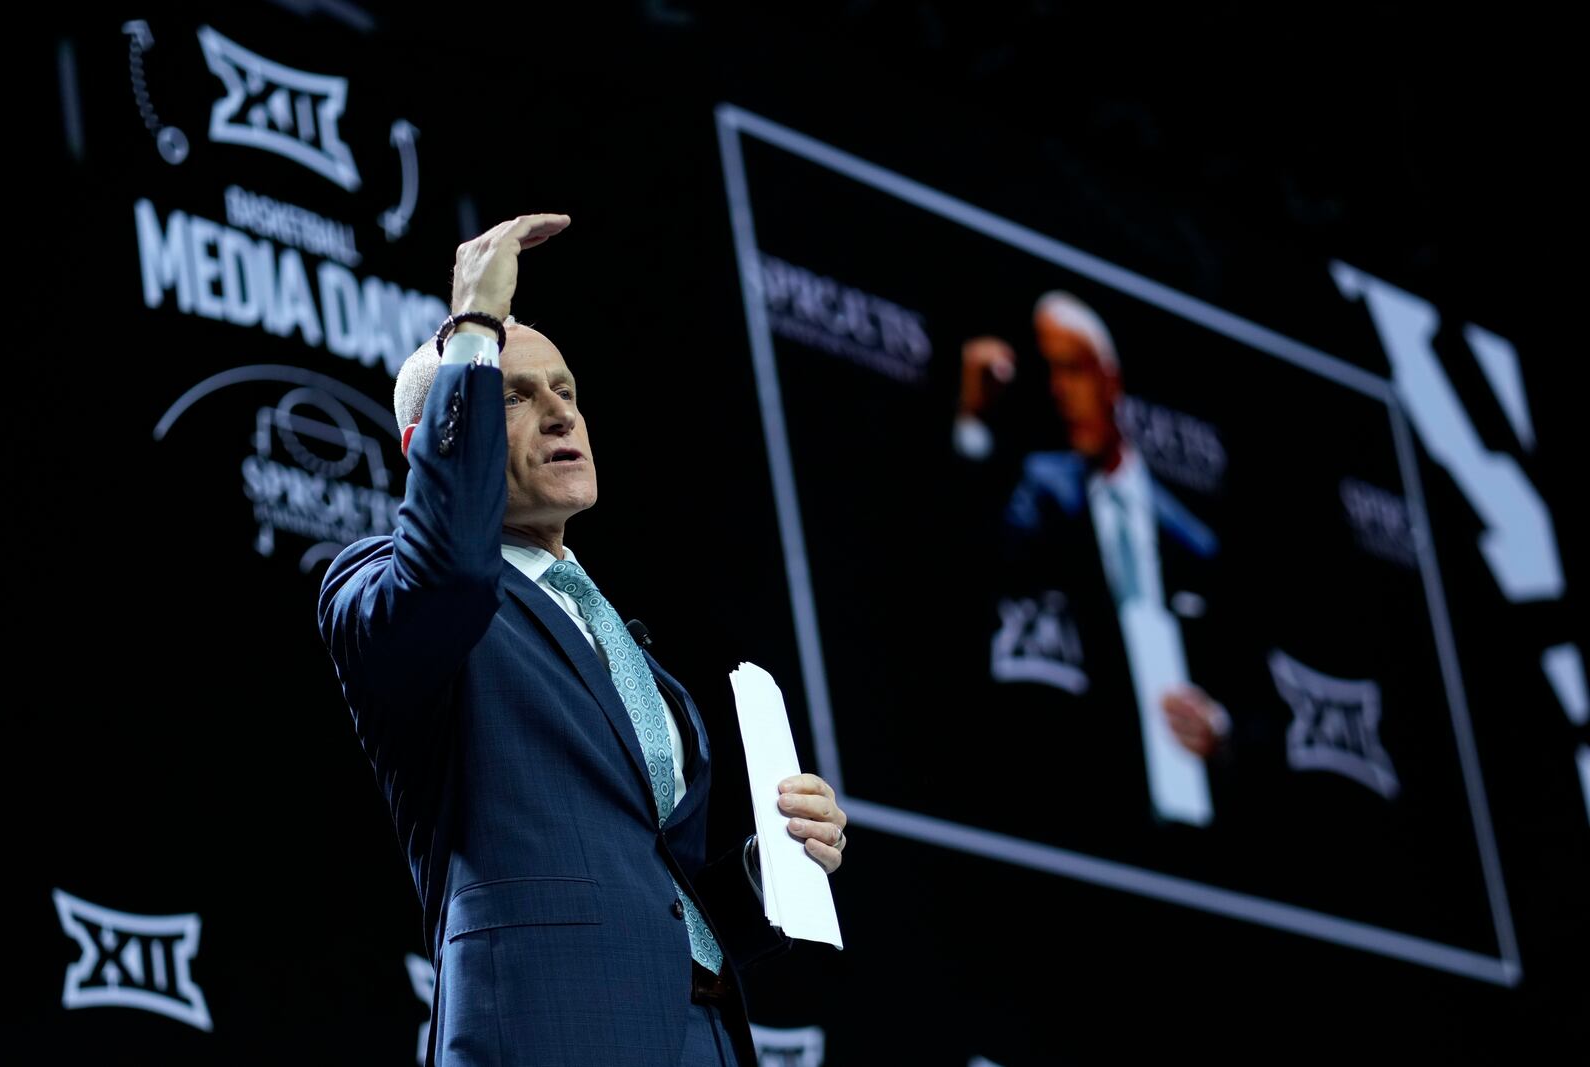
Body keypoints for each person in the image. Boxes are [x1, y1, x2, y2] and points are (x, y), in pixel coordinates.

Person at [318, 214, 848, 1067]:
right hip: (546, 1033)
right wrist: (473, 328)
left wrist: (771, 867)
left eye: (565, 390)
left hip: (704, 1035)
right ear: (431, 447)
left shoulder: (627, 648)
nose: (559, 411)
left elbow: (651, 878)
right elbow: (448, 566)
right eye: (514, 397)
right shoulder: (383, 586)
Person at [955, 290, 1232, 824]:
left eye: (1074, 370)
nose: (1061, 391)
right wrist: (974, 421)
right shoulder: (1037, 494)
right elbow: (970, 542)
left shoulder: (1191, 540)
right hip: (1086, 799)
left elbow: (1238, 674)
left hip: (1195, 817)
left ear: (1110, 378)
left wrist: (1220, 728)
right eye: (1050, 374)